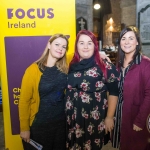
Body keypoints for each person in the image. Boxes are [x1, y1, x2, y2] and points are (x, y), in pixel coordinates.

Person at [65, 30, 119, 150]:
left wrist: (109, 117)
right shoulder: (70, 64)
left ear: (94, 46)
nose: (85, 46)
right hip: (72, 121)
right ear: (76, 46)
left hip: (93, 122)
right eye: (81, 43)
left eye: (89, 43)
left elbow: (114, 92)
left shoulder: (104, 65)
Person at [19, 33, 69, 150]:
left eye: (63, 47)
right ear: (49, 45)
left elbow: (81, 54)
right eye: (57, 44)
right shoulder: (32, 70)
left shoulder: (64, 67)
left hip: (61, 125)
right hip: (39, 126)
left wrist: (100, 54)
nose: (60, 49)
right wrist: (24, 128)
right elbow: (24, 102)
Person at [112, 26, 150, 150]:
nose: (127, 42)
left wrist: (140, 120)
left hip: (135, 117)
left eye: (131, 38)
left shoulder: (145, 64)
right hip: (120, 116)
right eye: (123, 38)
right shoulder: (118, 64)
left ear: (137, 42)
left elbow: (149, 95)